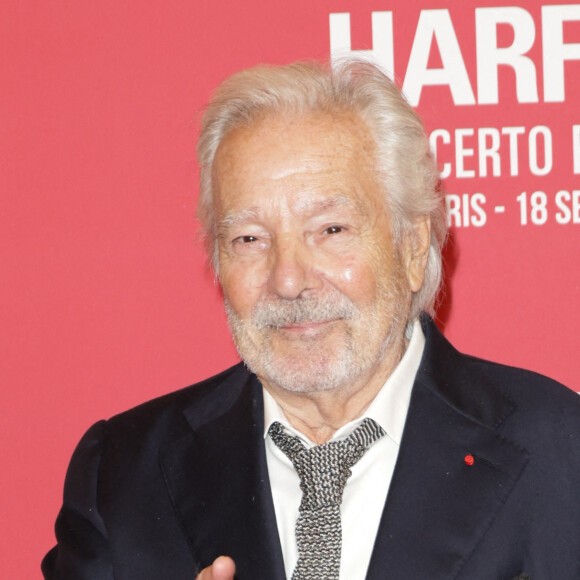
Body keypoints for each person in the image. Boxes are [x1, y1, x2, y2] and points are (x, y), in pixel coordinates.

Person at [42, 59, 580, 580]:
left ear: (413, 247)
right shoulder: (122, 473)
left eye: (330, 230)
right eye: (249, 239)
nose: (288, 280)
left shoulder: (560, 452)